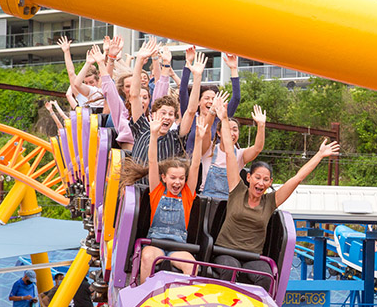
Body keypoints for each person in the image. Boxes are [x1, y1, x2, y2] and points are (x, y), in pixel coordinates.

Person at [213, 94, 339, 290]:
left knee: (265, 275)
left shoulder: (270, 202)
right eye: (257, 178)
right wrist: (222, 118)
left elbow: (297, 178)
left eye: (265, 180)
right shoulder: (237, 190)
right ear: (248, 178)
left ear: (270, 182)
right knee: (231, 269)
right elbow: (230, 152)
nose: (260, 183)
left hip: (251, 256)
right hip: (226, 252)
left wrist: (320, 155)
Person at [121, 110, 206, 284]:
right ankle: (144, 295)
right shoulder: (157, 190)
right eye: (173, 178)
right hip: (156, 243)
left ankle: (184, 300)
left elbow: (196, 165)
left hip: (178, 246)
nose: (178, 182)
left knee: (193, 266)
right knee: (147, 258)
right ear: (164, 178)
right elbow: (152, 162)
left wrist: (198, 139)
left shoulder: (187, 194)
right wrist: (153, 135)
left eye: (181, 178)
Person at [198, 104, 266, 200]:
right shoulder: (209, 149)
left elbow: (257, 148)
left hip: (229, 201)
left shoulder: (240, 154)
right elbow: (206, 131)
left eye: (235, 130)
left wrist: (261, 125)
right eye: (228, 129)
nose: (232, 133)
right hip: (207, 200)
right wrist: (212, 111)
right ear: (219, 133)